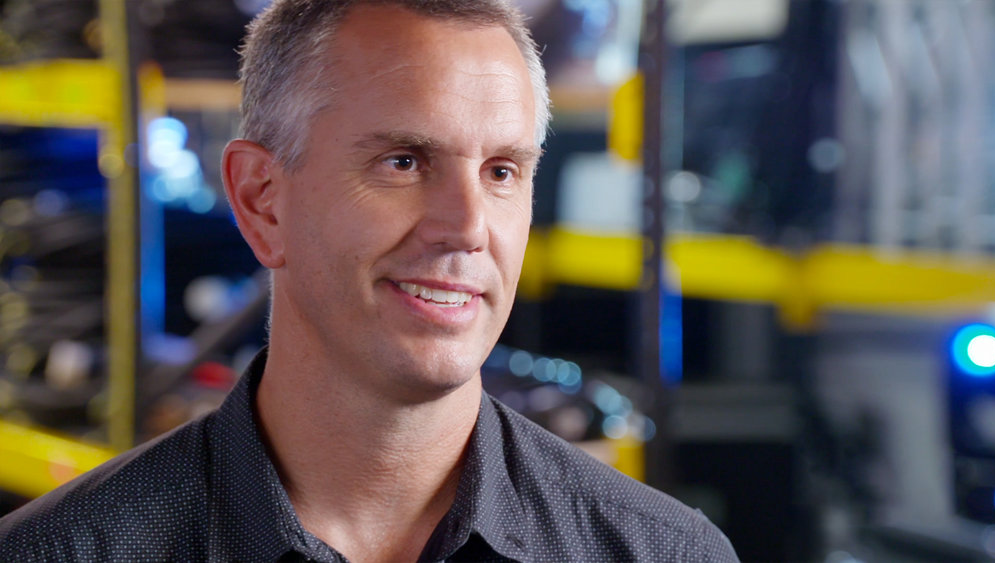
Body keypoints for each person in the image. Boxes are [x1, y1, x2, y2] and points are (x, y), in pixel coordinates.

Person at [0, 1, 738, 561]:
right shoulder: (63, 551)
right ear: (262, 200)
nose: (467, 227)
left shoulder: (663, 552)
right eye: (404, 162)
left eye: (501, 172)